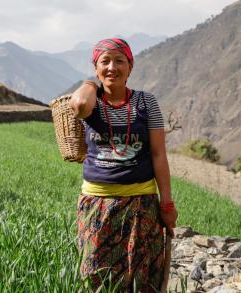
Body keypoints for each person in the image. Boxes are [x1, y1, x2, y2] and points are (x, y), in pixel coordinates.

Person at [69, 38, 178, 292]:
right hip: (98, 205)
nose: (112, 68)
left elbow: (159, 155)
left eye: (120, 61)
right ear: (95, 68)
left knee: (141, 279)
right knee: (95, 277)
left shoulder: (145, 103)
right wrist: (89, 84)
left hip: (142, 205)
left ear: (131, 66)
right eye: (104, 62)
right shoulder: (91, 102)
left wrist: (167, 204)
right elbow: (79, 105)